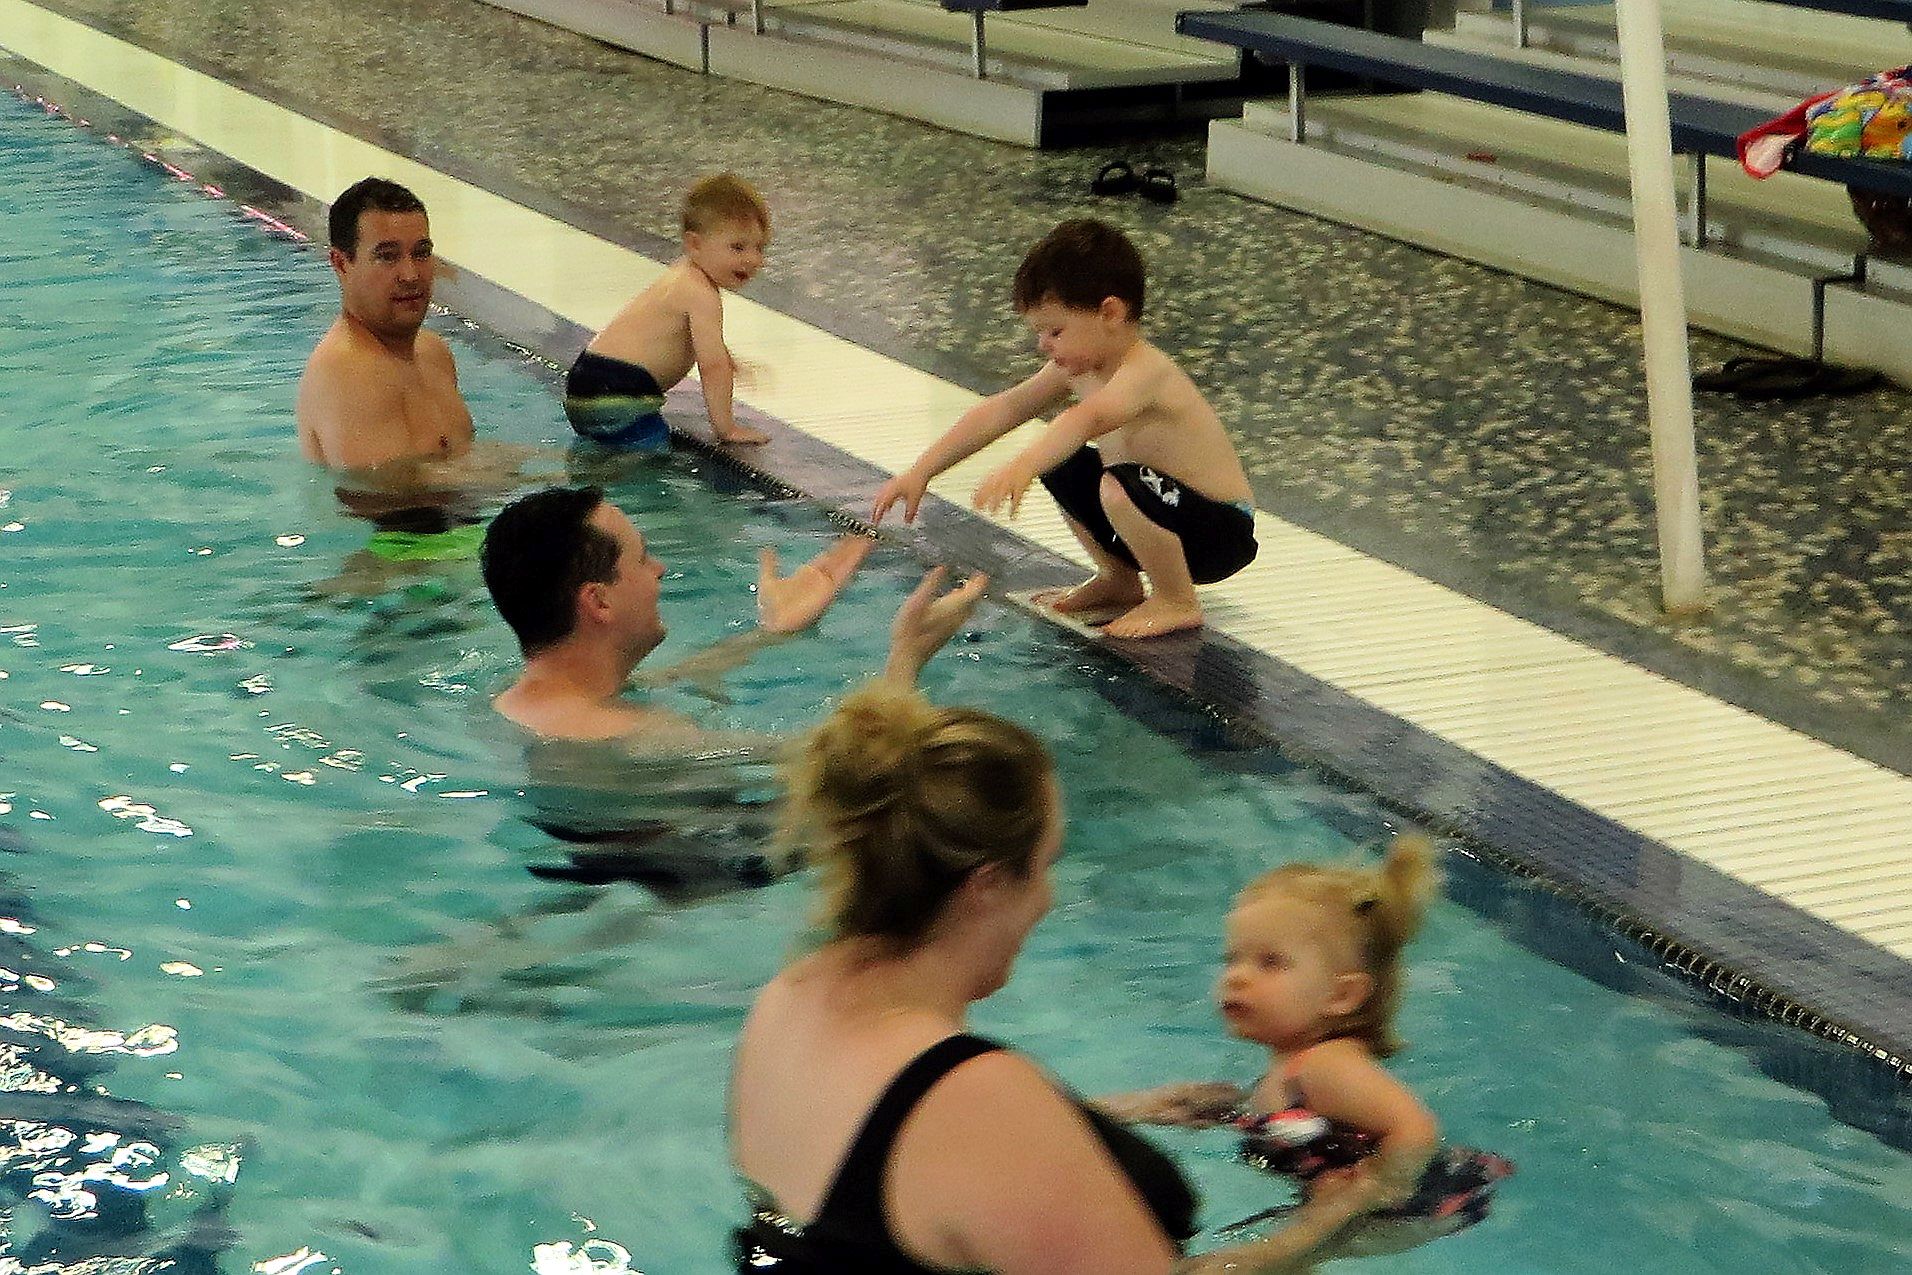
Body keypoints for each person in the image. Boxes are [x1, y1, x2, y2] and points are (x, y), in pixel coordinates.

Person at [729, 684, 1198, 1275]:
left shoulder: (787, 1000)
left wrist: (1094, 1118)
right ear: (989, 886)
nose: (1048, 900)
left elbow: (874, 1179)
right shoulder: (976, 1098)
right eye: (1045, 867)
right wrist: (1303, 1240)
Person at [1098, 837, 1513, 1273]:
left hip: (1415, 1206)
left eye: (1269, 962)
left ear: (1341, 995)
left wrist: (1373, 1187)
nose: (1236, 977)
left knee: (1246, 1264)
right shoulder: (1292, 1067)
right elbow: (1280, 1120)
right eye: (1232, 959)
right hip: (1358, 1196)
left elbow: (1416, 1128)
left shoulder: (1326, 1065)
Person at [871, 219, 1257, 639]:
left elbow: (1084, 419)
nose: (1043, 344)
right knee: (1064, 462)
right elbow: (1003, 409)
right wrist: (922, 471)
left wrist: (1022, 465)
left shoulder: (1145, 371)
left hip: (1219, 533)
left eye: (1055, 331)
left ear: (1110, 313)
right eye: (1039, 332)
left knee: (1114, 482)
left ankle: (1177, 600)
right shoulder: (1077, 369)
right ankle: (1118, 579)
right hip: (1159, 513)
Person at [480, 485, 984, 744]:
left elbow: (666, 679)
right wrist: (905, 661)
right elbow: (846, 774)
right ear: (599, 601)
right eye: (643, 558)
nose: (660, 569)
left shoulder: (514, 700)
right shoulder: (636, 738)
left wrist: (769, 634)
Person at [563, 174, 774, 451]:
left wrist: (728, 359)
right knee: (649, 454)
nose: (753, 259)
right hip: (618, 391)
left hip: (590, 380)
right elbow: (712, 367)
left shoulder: (682, 275)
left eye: (759, 248)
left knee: (608, 449)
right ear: (695, 244)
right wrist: (727, 429)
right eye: (738, 247)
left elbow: (688, 340)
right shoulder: (702, 293)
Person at [297, 178, 474, 471]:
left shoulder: (433, 353)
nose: (411, 275)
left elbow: (458, 461)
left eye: (421, 252)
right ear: (341, 263)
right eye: (388, 257)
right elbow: (389, 493)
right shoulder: (348, 371)